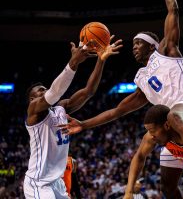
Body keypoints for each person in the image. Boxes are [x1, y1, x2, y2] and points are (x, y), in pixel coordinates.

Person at [60, 0, 183, 197]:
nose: (133, 47)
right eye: (133, 44)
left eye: (138, 43)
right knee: (167, 187)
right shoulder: (142, 80)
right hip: (174, 125)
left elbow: (173, 9)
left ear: (152, 46)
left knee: (174, 116)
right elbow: (117, 111)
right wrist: (84, 125)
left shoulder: (166, 51)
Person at [23, 37, 123, 199]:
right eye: (40, 91)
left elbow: (88, 92)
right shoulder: (33, 111)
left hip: (57, 181)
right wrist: (73, 62)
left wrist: (101, 60)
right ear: (32, 100)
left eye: (45, 89)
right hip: (38, 183)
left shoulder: (61, 108)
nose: (45, 91)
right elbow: (54, 92)